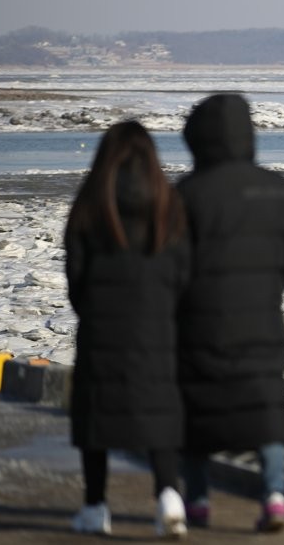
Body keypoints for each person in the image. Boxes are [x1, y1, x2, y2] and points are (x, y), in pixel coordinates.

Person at [175, 93, 284, 532]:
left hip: (198, 322)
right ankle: (273, 496)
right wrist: (268, 286)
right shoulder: (273, 186)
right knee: (264, 408)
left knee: (195, 411)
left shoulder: (187, 193)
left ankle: (196, 501)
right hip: (261, 318)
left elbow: (169, 259)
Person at [64, 120, 190, 537]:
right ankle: (169, 495)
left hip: (102, 329)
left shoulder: (89, 205)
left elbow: (75, 279)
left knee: (96, 417)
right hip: (157, 330)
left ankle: (95, 506)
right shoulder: (169, 206)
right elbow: (183, 273)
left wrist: (94, 311)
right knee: (160, 412)